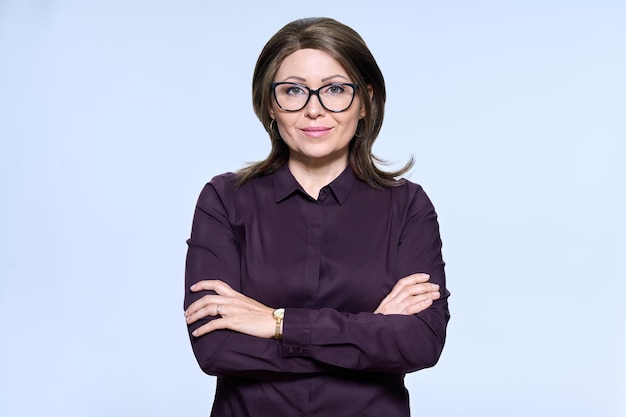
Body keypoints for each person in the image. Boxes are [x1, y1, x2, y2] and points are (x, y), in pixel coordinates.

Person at [183, 17, 450, 417]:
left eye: (336, 90)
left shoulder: (407, 206)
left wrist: (276, 323)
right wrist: (368, 332)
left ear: (365, 102)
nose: (314, 109)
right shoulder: (224, 199)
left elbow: (421, 342)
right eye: (293, 91)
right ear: (269, 104)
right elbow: (216, 348)